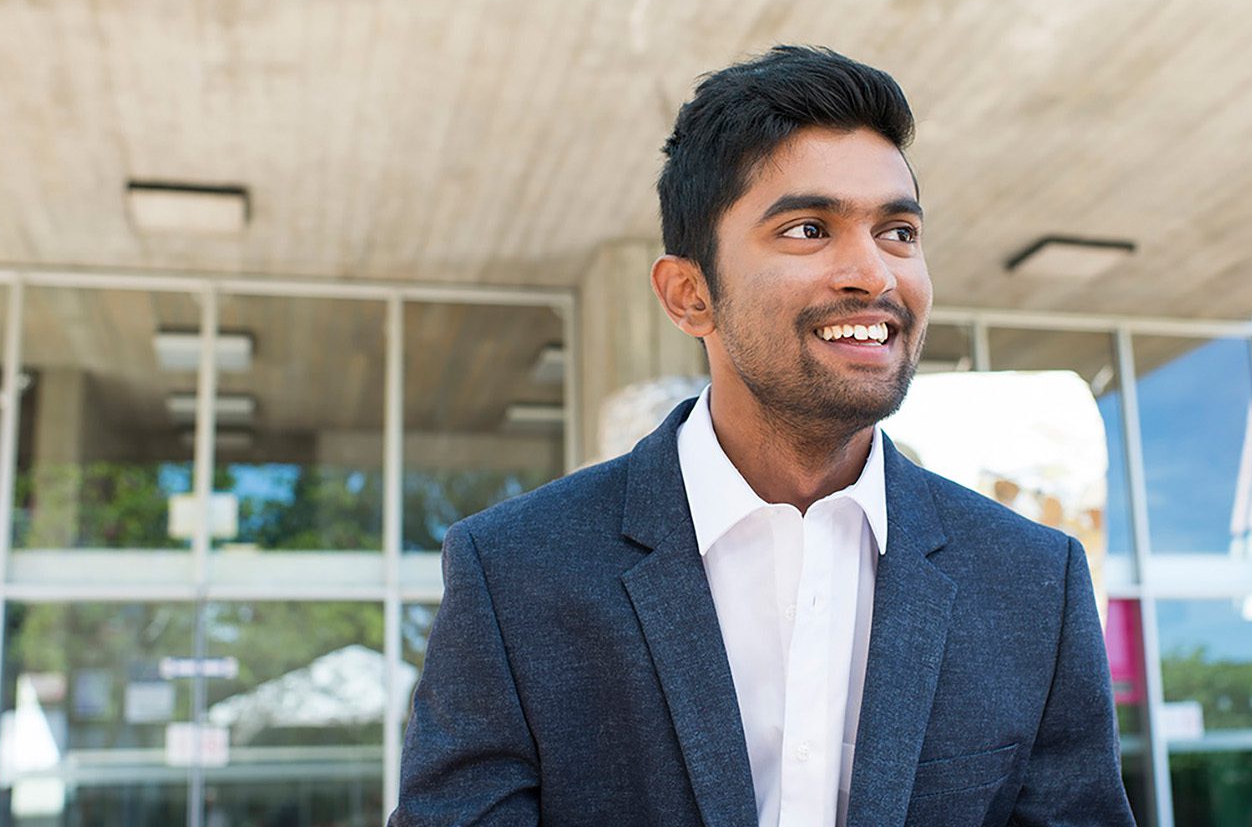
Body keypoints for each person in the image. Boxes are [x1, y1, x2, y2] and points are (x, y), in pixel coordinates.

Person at [392, 45, 1133, 827]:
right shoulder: (516, 573)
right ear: (689, 296)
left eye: (899, 230)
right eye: (810, 229)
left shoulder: (1032, 581)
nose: (874, 274)